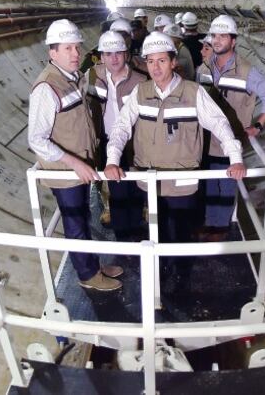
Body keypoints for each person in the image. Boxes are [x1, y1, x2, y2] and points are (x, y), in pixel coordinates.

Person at [104, 33, 245, 284]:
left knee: (181, 231)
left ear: (173, 62)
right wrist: (112, 159)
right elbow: (121, 127)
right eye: (150, 62)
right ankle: (162, 270)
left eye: (161, 61)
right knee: (156, 230)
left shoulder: (193, 92)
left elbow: (220, 124)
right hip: (150, 180)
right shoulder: (141, 92)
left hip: (183, 182)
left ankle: (182, 274)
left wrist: (235, 157)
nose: (155, 68)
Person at [28, 19, 123, 292]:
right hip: (65, 172)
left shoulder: (73, 78)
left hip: (79, 168)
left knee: (84, 218)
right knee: (76, 223)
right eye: (67, 48)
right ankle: (87, 276)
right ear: (52, 52)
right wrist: (74, 162)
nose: (75, 54)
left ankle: (92, 266)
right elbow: (36, 139)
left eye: (77, 48)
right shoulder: (47, 87)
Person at [200, 15, 265, 241]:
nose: (217, 40)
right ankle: (210, 223)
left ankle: (220, 228)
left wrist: (257, 126)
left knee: (225, 184)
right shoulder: (207, 66)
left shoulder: (246, 71)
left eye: (223, 36)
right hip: (206, 138)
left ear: (233, 41)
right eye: (215, 36)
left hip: (230, 140)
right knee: (209, 183)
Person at [86, 30, 147, 241]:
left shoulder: (140, 80)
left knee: (136, 186)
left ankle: (138, 230)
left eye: (118, 53)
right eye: (108, 54)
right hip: (106, 142)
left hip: (134, 144)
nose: (113, 58)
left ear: (126, 54)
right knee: (116, 189)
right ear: (101, 57)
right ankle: (123, 235)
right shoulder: (91, 77)